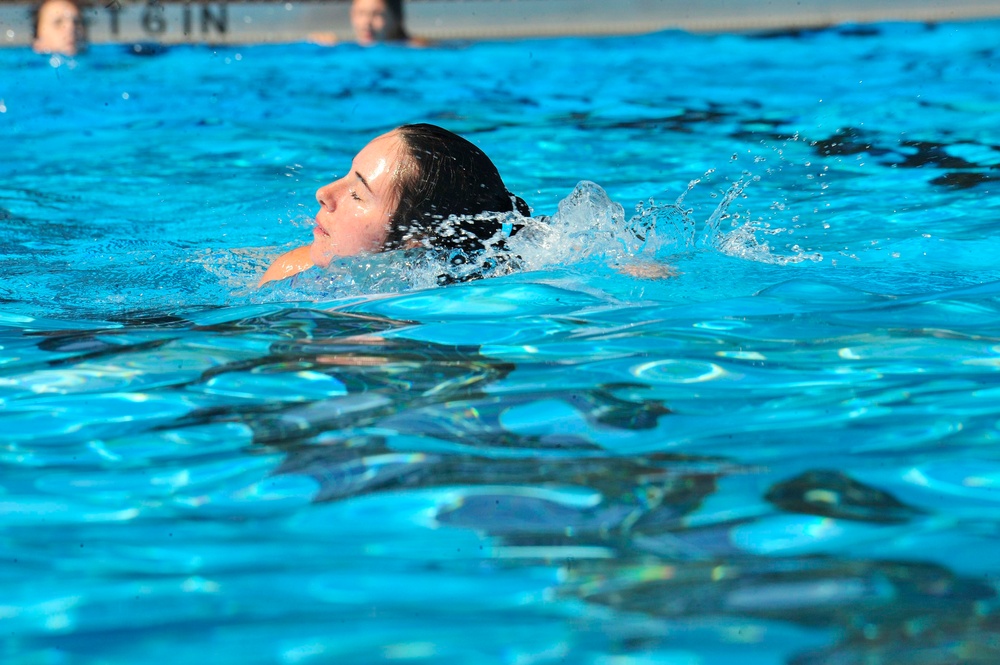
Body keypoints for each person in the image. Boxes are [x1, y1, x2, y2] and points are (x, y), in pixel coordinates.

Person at [259, 124, 530, 287]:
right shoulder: (292, 273)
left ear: (416, 240)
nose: (323, 193)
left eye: (357, 194)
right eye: (346, 175)